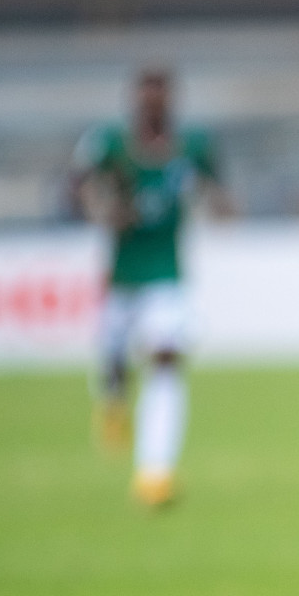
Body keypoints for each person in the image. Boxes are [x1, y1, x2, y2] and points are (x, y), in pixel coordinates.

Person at [70, 67, 226, 507]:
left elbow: (219, 190)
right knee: (115, 364)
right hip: (122, 275)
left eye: (161, 97)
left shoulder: (192, 147)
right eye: (147, 96)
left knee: (164, 361)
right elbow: (77, 189)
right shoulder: (110, 145)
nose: (154, 104)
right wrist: (103, 212)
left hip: (167, 276)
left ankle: (155, 474)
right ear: (136, 101)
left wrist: (221, 205)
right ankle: (113, 402)